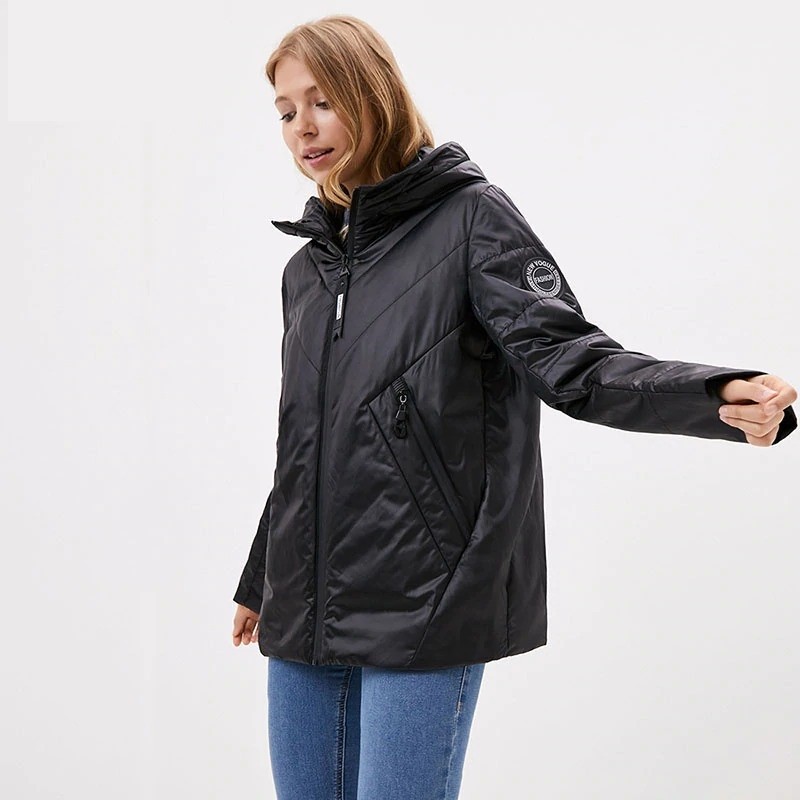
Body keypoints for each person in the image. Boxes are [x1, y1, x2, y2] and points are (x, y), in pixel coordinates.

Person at [231, 14, 798, 800]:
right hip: (303, 605)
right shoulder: (305, 271)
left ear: (374, 94)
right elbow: (305, 440)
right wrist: (262, 575)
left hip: (424, 597)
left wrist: (712, 395)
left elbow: (572, 360)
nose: (303, 127)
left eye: (322, 101)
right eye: (286, 110)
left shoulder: (471, 219)